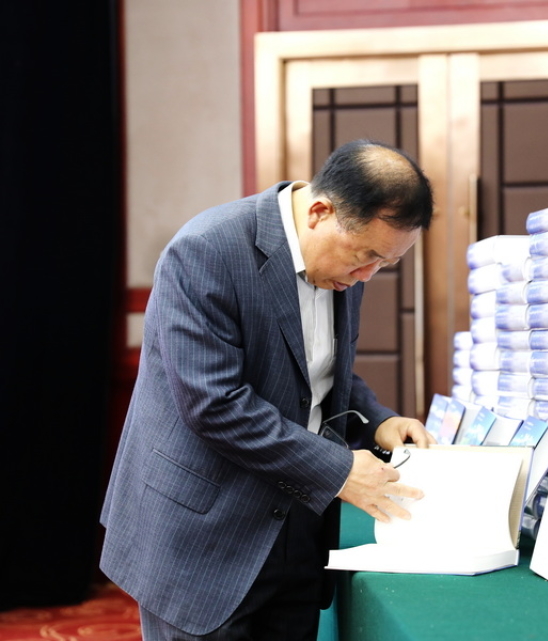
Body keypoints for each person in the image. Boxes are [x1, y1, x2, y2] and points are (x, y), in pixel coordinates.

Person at [100, 139, 437, 640]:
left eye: (384, 264)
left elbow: (320, 372)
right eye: (365, 256)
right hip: (205, 531)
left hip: (296, 527)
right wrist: (340, 469)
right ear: (320, 212)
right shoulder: (206, 250)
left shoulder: (344, 266)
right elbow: (214, 404)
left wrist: (378, 420)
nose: (367, 274)